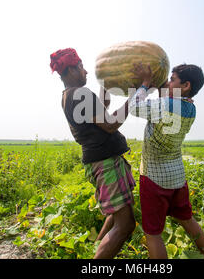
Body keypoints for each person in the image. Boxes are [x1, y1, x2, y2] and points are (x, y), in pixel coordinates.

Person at [50, 48, 136, 259]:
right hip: (105, 162)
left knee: (117, 216)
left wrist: (106, 84)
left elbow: (102, 108)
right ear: (70, 69)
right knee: (126, 225)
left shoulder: (69, 95)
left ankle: (95, 248)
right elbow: (109, 124)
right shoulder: (80, 94)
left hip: (98, 161)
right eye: (81, 67)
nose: (86, 71)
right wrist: (136, 95)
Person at [128, 62, 204, 259]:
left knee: (153, 233)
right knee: (187, 219)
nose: (168, 83)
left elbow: (134, 107)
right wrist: (163, 85)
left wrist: (146, 83)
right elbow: (167, 103)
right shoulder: (191, 108)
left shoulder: (165, 105)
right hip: (177, 178)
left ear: (186, 86)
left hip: (154, 178)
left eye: (172, 80)